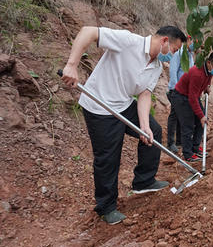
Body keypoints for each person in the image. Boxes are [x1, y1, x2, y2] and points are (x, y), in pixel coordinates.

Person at [61, 25, 186, 225]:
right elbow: (88, 32)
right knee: (109, 157)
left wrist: (144, 126)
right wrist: (72, 64)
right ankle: (106, 207)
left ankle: (144, 181)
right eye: (173, 50)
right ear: (164, 41)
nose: (172, 55)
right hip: (100, 106)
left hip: (124, 104)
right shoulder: (128, 42)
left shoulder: (155, 67)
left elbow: (145, 94)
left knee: (153, 131)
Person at [170, 51, 213, 162]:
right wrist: (201, 116)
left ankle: (195, 148)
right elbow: (192, 98)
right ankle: (188, 154)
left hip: (192, 96)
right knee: (188, 125)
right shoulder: (197, 73)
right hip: (181, 97)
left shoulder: (209, 70)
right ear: (209, 63)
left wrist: (206, 87)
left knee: (202, 122)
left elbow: (208, 78)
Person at [166, 36, 196, 154]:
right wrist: (175, 88)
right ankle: (170, 143)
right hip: (176, 89)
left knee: (181, 115)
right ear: (188, 40)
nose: (194, 44)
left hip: (185, 91)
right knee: (174, 115)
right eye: (193, 41)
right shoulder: (179, 54)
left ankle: (179, 141)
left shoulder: (190, 55)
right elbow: (173, 72)